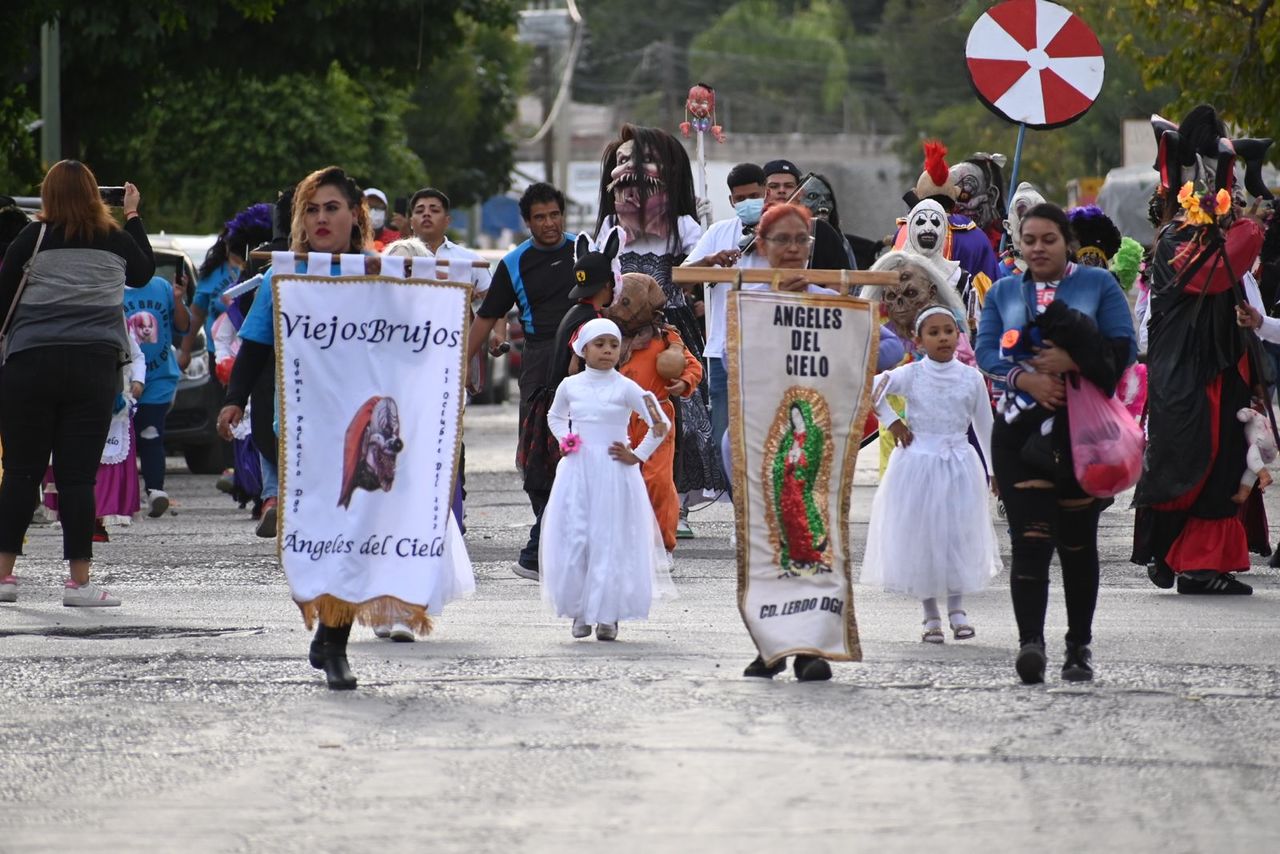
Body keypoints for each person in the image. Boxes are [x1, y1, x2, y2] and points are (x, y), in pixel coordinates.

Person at [219, 165, 377, 688]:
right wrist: (234, 400)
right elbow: (257, 345)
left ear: (355, 215)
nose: (321, 217)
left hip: (361, 431)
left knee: (350, 536)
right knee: (315, 538)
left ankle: (335, 642)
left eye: (331, 207)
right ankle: (326, 622)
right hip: (296, 429)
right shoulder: (282, 277)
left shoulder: (380, 273)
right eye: (310, 209)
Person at [738, 203, 904, 683]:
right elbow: (733, 362)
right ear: (763, 248)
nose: (792, 249)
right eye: (781, 240)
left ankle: (813, 645)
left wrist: (831, 304)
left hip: (820, 441)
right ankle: (769, 645)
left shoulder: (831, 298)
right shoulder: (745, 299)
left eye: (800, 240)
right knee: (766, 541)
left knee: (817, 539)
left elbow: (887, 348)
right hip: (762, 439)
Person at [976, 202, 1136, 684]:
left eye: (1048, 239)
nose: (1038, 248)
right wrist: (1024, 379)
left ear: (1066, 241)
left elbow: (1124, 346)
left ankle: (1077, 648)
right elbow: (985, 350)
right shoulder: (1004, 290)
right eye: (1030, 240)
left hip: (1081, 432)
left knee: (1075, 543)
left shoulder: (1098, 285)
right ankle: (1031, 645)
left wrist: (1075, 360)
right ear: (1019, 244)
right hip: (1018, 432)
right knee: (1029, 542)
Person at [0, 160, 154, 608]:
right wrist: (132, 214)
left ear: (48, 195)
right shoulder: (114, 239)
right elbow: (143, 272)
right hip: (93, 366)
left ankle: (5, 577)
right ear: (93, 194)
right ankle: (79, 584)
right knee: (77, 477)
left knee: (22, 473)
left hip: (30, 364)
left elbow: (4, 290)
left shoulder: (34, 236)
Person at [596, 124, 719, 536]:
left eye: (642, 160)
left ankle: (676, 503)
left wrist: (709, 253)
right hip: (620, 336)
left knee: (677, 414)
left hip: (670, 330)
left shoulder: (684, 226)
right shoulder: (610, 226)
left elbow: (696, 277)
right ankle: (625, 495)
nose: (631, 169)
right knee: (623, 412)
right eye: (623, 161)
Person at [862, 306, 999, 642]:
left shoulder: (971, 378)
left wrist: (995, 470)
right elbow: (872, 387)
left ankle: (957, 608)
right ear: (918, 341)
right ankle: (930, 615)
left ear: (959, 334)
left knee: (957, 535)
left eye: (948, 331)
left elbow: (985, 425)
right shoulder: (913, 374)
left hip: (959, 465)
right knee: (923, 539)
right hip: (918, 465)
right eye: (934, 333)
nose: (943, 338)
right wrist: (892, 421)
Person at [540, 318, 676, 641]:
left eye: (613, 345)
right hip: (578, 471)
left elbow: (660, 422)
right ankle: (580, 611)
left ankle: (608, 614)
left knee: (611, 540)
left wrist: (638, 454)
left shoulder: (625, 386)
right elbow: (554, 416)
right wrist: (566, 439)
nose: (607, 351)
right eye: (599, 345)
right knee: (578, 538)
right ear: (583, 349)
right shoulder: (570, 386)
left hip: (616, 472)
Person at [468, 182, 577, 580]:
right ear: (527, 222)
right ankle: (546, 536)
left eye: (554, 215)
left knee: (580, 451)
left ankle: (545, 546)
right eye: (539, 218)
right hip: (539, 359)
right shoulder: (514, 262)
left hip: (586, 358)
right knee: (536, 457)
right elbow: (486, 316)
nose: (549, 224)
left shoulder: (584, 249)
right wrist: (462, 363)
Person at [681, 163, 771, 474]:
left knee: (767, 438)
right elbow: (681, 279)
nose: (749, 202)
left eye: (755, 196)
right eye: (741, 197)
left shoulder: (785, 232)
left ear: (767, 193)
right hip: (722, 351)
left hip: (769, 351)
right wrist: (710, 261)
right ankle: (740, 515)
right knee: (724, 444)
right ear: (732, 201)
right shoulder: (719, 232)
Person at [607, 271, 702, 552]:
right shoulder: (609, 336)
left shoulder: (666, 337)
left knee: (658, 482)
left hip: (656, 417)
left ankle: (663, 545)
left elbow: (694, 367)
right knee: (620, 482)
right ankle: (627, 545)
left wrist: (683, 382)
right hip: (618, 418)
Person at [44, 330, 147, 541]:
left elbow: (135, 355)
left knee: (105, 466)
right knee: (75, 459)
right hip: (73, 393)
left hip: (112, 399)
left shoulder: (115, 318)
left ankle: (97, 520)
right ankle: (79, 520)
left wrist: (138, 379)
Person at [125, 269, 190, 517]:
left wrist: (177, 299)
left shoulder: (161, 286)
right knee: (123, 439)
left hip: (160, 377)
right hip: (122, 379)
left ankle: (155, 491)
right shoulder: (111, 285)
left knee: (150, 432)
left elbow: (182, 327)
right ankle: (124, 496)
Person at [761, 159, 855, 271]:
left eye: (789, 186)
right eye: (774, 186)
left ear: (798, 194)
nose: (782, 191)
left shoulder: (824, 231)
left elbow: (845, 280)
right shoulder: (747, 226)